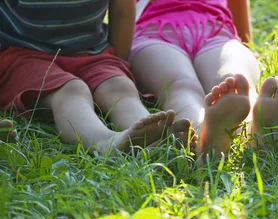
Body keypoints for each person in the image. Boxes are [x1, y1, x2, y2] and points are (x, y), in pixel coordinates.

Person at [0, 0, 178, 155]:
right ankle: (104, 142)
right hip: (24, 55)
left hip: (91, 52)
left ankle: (153, 135)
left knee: (119, 86)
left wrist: (117, 65)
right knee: (71, 91)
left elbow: (122, 10)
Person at [130, 0, 278, 158]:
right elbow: (121, 10)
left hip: (217, 32)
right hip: (153, 34)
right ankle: (202, 136)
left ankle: (253, 131)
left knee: (235, 80)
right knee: (180, 85)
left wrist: (244, 43)